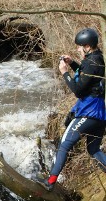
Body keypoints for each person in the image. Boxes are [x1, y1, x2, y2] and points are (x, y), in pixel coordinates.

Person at [38, 27, 106, 191]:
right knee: (93, 149)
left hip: (88, 114)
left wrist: (64, 72)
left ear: (87, 46)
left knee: (64, 145)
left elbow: (78, 90)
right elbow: (87, 78)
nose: (77, 49)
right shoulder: (97, 59)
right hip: (100, 116)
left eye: (79, 46)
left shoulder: (92, 62)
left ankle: (50, 182)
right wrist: (73, 63)